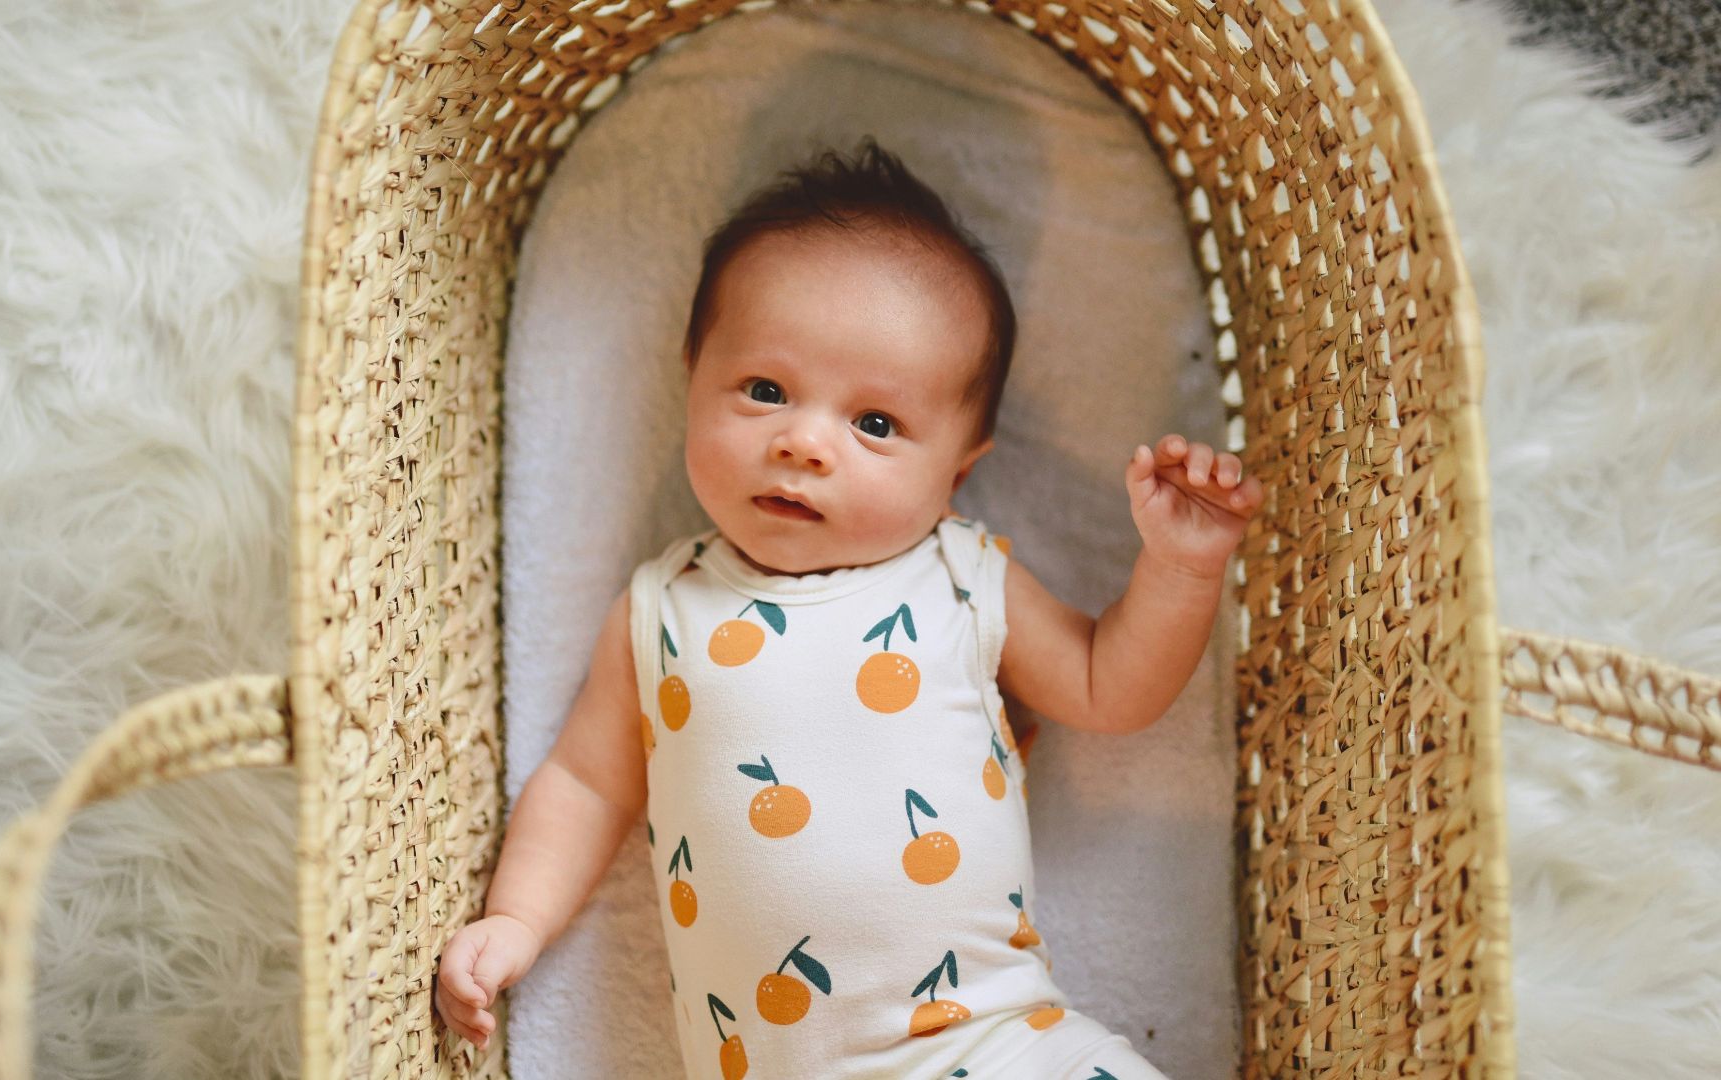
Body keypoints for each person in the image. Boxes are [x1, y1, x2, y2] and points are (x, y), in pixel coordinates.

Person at [434, 135, 1262, 1078]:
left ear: (960, 467)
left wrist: (1182, 568)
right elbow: (585, 784)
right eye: (765, 390)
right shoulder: (662, 610)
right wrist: (513, 922)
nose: (805, 442)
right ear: (691, 377)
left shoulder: (960, 577)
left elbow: (1108, 685)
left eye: (874, 423)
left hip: (990, 1040)